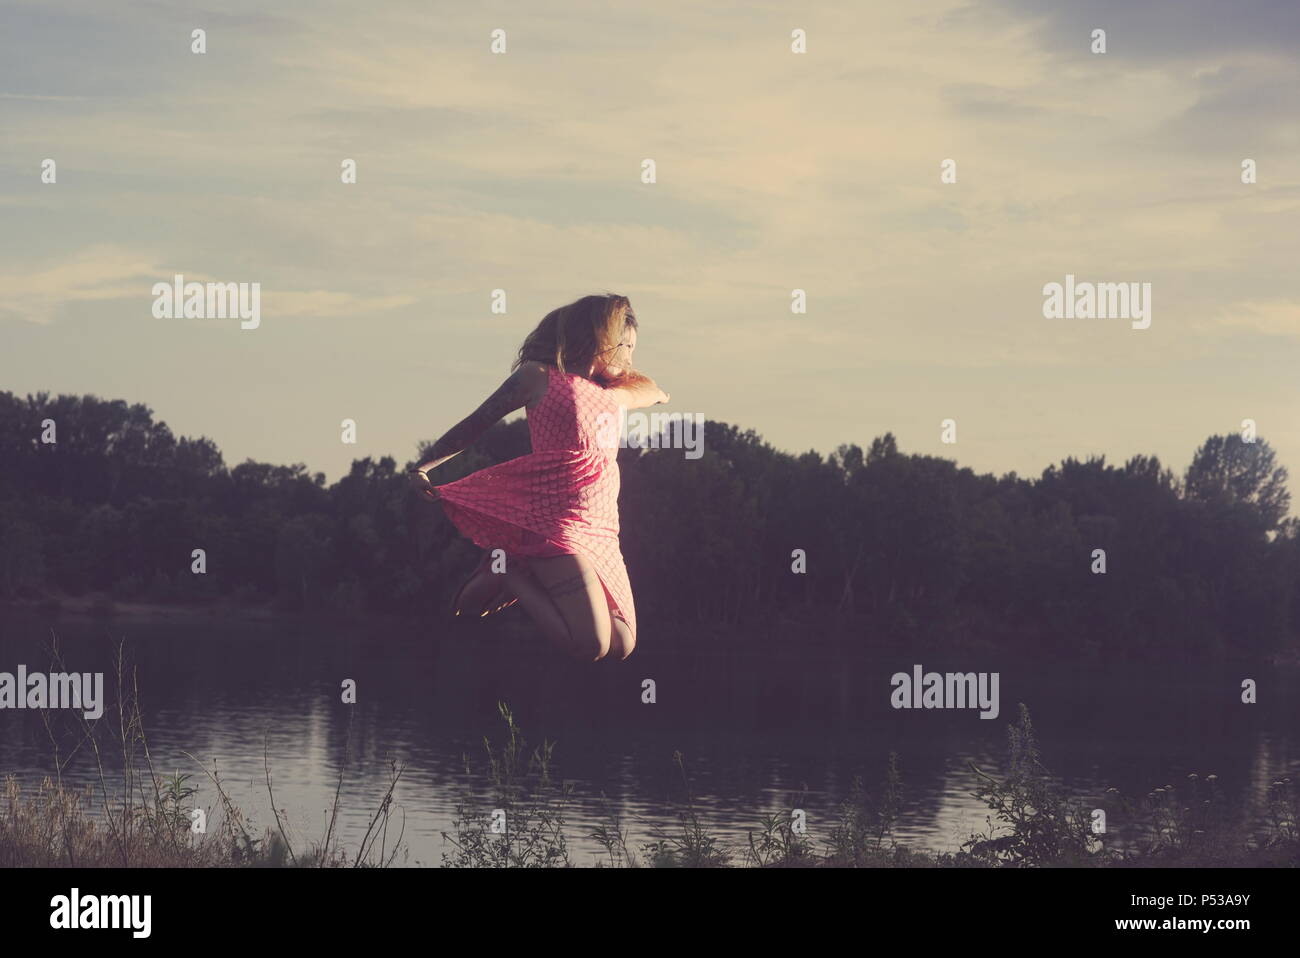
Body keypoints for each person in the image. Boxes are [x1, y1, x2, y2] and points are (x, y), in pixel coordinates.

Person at [409, 293, 668, 662]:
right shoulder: (539, 377)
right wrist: (424, 465)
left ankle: (513, 568)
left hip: (601, 527)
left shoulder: (614, 394)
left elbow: (653, 389)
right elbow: (477, 422)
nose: (629, 357)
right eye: (626, 346)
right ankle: (509, 572)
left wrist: (652, 388)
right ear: (600, 339)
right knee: (590, 645)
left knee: (622, 643)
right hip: (554, 520)